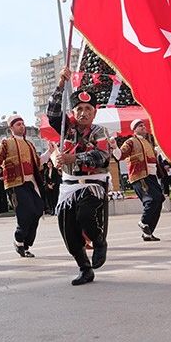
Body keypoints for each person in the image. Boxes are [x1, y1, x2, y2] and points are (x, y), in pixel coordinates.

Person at [47, 68, 111, 286]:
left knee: (85, 214)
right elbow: (53, 113)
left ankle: (99, 241)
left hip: (93, 184)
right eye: (79, 109)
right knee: (66, 228)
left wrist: (72, 158)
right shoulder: (66, 128)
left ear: (94, 112)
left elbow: (101, 156)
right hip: (68, 185)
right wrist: (60, 84)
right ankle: (84, 268)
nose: (83, 113)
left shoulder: (99, 132)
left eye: (88, 109)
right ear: (73, 111)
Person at [0, 114, 52, 258]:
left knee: (38, 210)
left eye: (23, 124)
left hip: (31, 182)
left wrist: (50, 152)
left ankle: (26, 244)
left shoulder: (30, 144)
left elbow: (38, 163)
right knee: (25, 213)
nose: (22, 126)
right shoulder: (6, 143)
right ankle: (19, 239)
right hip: (15, 183)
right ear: (11, 128)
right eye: (18, 124)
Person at [111, 119, 164, 241]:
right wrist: (114, 147)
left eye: (143, 125)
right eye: (140, 126)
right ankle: (143, 221)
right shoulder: (131, 141)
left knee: (159, 199)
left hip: (151, 175)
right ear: (134, 129)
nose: (143, 127)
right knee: (151, 200)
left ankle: (148, 233)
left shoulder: (147, 142)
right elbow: (120, 156)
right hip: (140, 175)